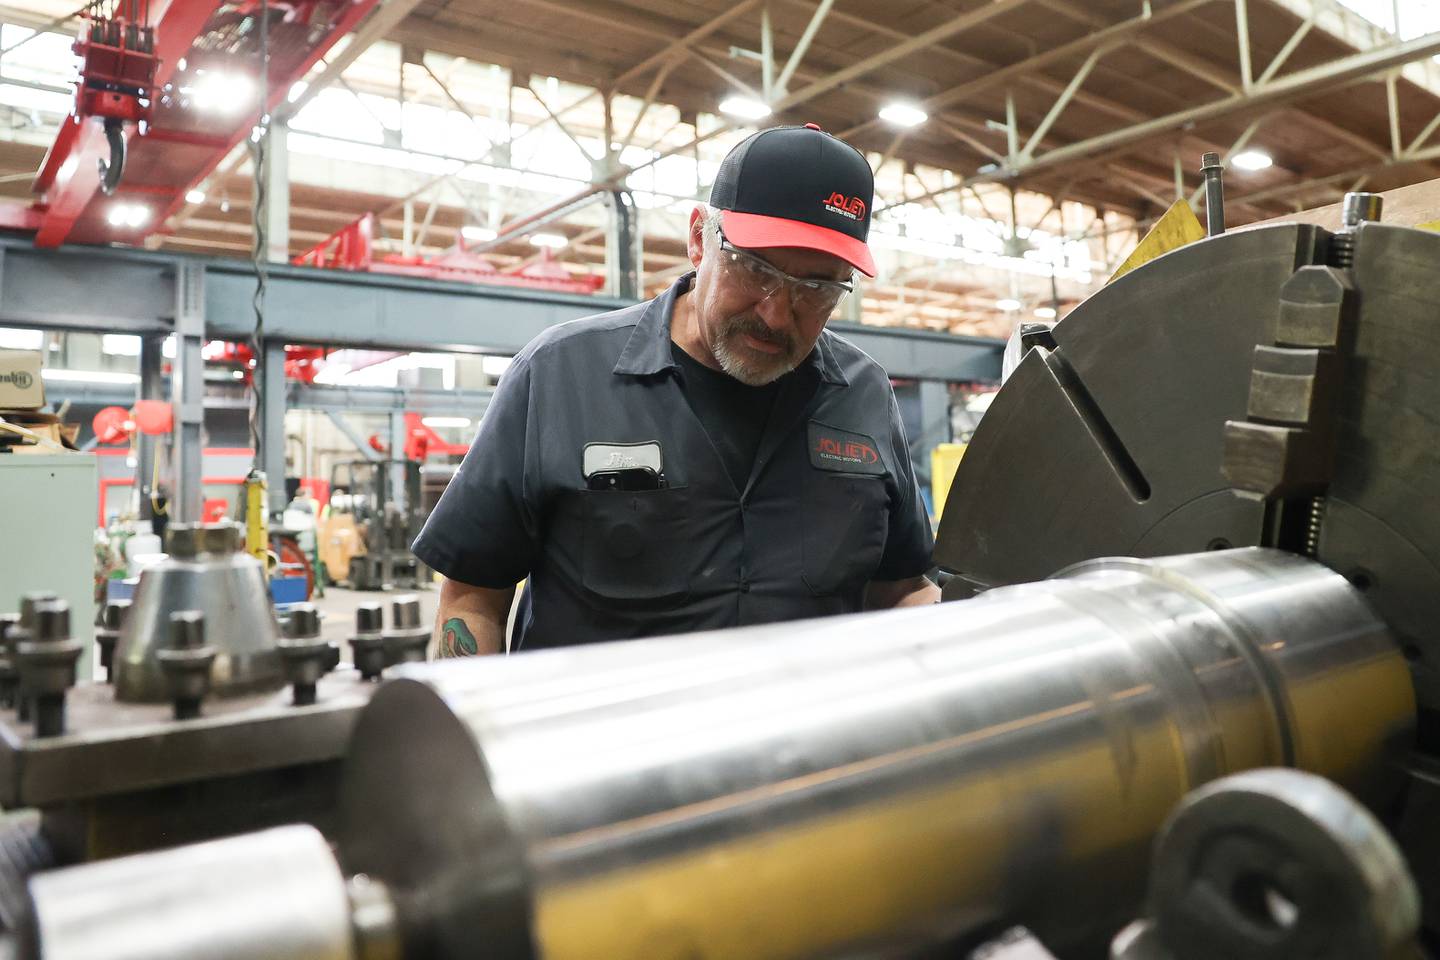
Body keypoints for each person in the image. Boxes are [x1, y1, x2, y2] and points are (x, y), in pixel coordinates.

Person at [414, 123, 939, 657]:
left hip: (809, 739)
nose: (776, 313)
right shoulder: (558, 376)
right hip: (598, 739)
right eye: (754, 268)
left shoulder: (864, 394)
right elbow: (473, 596)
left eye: (817, 287)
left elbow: (901, 587)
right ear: (698, 238)